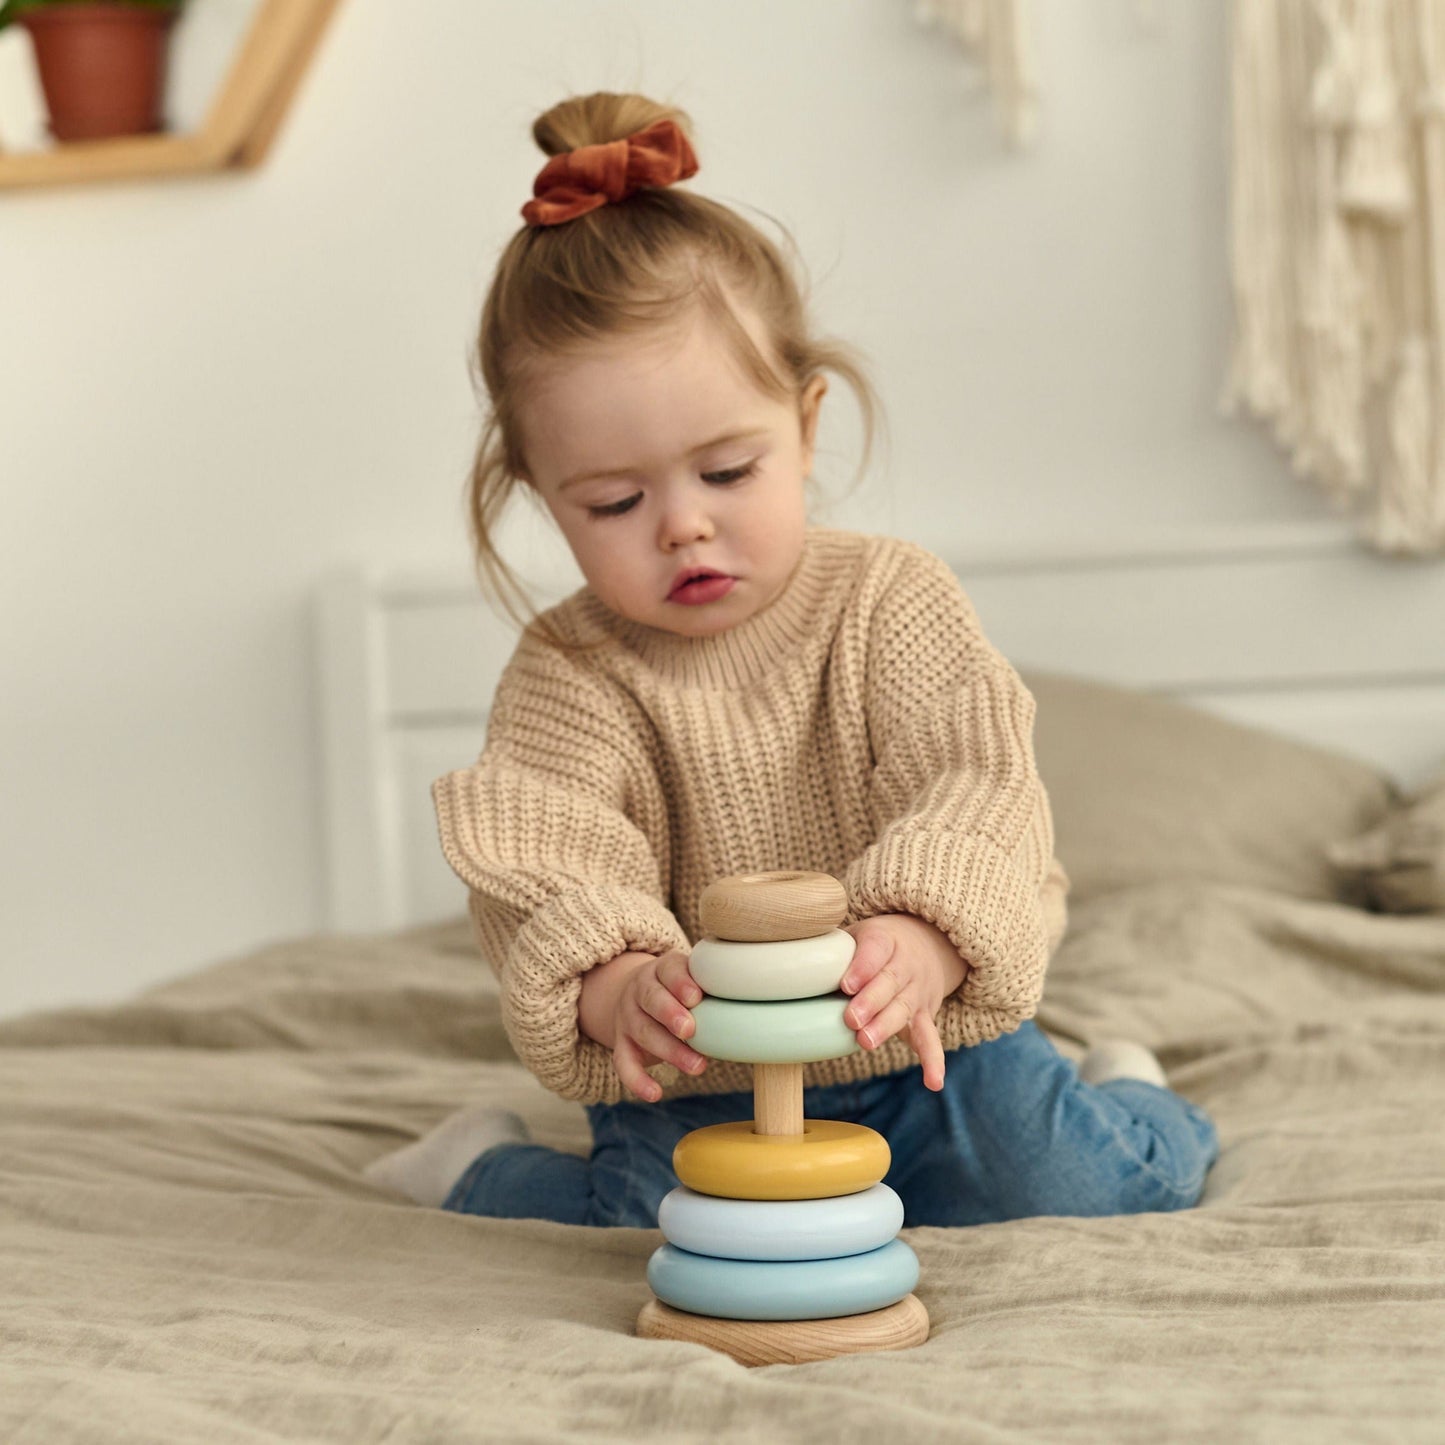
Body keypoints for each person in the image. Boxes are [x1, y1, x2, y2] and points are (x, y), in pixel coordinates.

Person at [363, 91, 1218, 1228]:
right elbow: (544, 848)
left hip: (919, 1035)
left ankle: (1126, 1092)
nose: (681, 525)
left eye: (726, 473)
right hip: (700, 1074)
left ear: (805, 428)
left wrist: (922, 930)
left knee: (1082, 1187)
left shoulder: (888, 600)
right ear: (545, 500)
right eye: (615, 500)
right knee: (652, 1230)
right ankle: (476, 1161)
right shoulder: (569, 667)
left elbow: (971, 782)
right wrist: (618, 984)